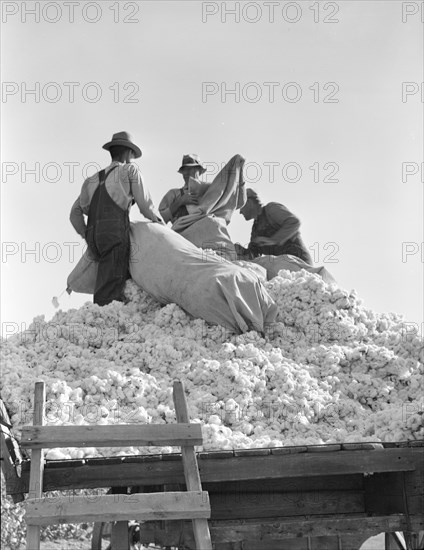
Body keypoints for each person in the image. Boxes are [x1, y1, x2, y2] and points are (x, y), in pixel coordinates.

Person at [69, 131, 163, 306]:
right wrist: (162, 226)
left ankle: (105, 314)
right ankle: (107, 323)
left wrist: (87, 236)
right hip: (115, 235)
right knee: (112, 287)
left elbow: (74, 214)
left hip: (95, 240)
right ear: (128, 153)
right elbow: (146, 207)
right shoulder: (130, 170)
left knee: (106, 277)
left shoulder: (91, 180)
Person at [237, 189, 312, 264]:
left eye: (241, 207)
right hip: (284, 268)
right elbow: (252, 257)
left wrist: (274, 240)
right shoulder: (255, 230)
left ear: (249, 203)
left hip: (300, 264)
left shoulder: (271, 209)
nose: (240, 212)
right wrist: (238, 250)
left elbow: (294, 222)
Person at [159, 154, 207, 224]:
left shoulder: (209, 191)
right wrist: (180, 201)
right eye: (184, 170)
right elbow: (162, 217)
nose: (186, 173)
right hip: (180, 233)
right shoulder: (174, 193)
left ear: (199, 170)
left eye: (190, 169)